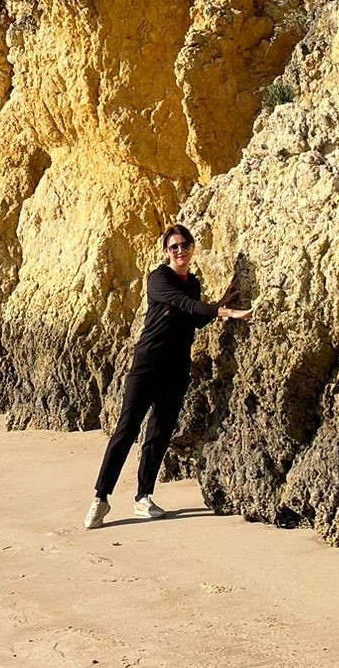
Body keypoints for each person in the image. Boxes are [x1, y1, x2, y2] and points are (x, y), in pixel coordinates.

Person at [85, 224, 249, 528]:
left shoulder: (193, 283)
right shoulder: (158, 278)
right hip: (148, 363)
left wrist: (217, 306)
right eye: (174, 246)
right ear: (166, 251)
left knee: (159, 433)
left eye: (185, 245)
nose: (180, 251)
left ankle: (143, 498)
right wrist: (221, 312)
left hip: (177, 367)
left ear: (192, 247)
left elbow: (192, 319)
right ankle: (101, 497)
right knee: (126, 429)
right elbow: (182, 303)